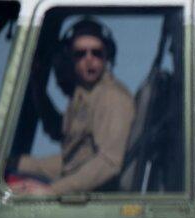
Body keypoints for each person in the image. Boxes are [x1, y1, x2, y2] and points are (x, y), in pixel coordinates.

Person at [12, 17, 135, 195]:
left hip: (93, 199)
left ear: (107, 55)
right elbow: (70, 154)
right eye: (80, 54)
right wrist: (16, 163)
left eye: (96, 53)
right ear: (70, 58)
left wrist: (51, 191)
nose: (89, 59)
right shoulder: (84, 94)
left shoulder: (112, 98)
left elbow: (109, 163)